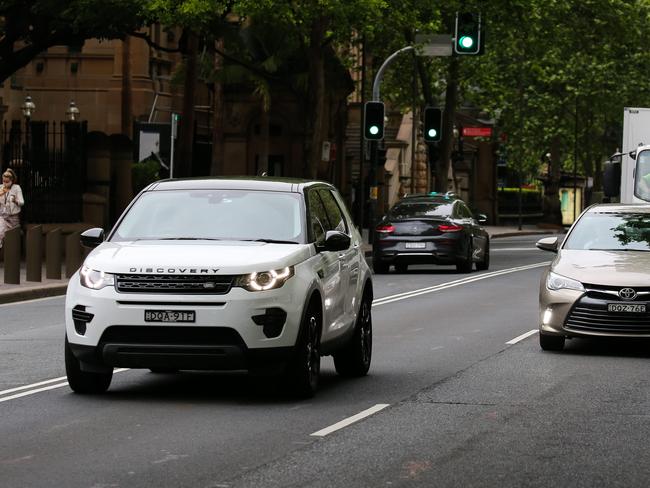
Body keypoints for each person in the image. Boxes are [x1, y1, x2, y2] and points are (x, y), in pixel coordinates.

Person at [0, 168, 24, 248]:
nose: (5, 184)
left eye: (7, 182)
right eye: (3, 181)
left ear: (12, 180)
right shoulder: (1, 187)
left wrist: (15, 201)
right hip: (3, 215)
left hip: (13, 218)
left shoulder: (16, 188)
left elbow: (22, 202)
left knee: (11, 237)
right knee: (1, 231)